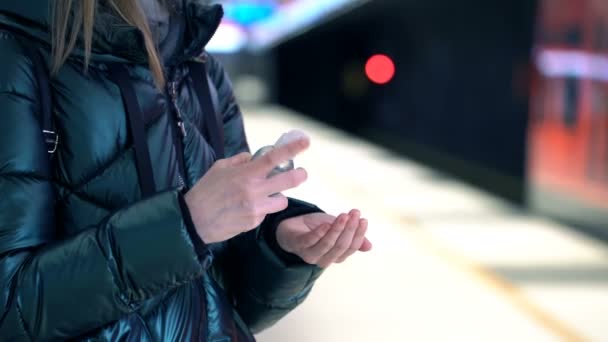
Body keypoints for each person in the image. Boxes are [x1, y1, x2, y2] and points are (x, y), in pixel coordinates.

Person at [0, 0, 372, 341]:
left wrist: (279, 247)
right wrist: (186, 224)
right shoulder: (15, 56)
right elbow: (11, 311)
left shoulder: (199, 66)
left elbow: (225, 304)